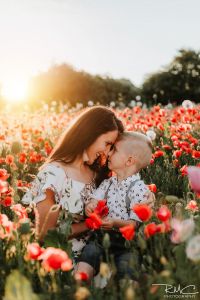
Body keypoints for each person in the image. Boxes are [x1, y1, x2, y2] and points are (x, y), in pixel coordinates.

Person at [21, 106, 155, 260]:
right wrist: (91, 224)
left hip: (106, 254)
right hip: (67, 260)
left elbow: (125, 188)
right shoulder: (52, 174)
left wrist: (147, 196)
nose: (107, 152)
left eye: (112, 147)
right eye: (107, 144)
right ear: (90, 135)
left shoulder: (99, 172)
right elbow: (45, 234)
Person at [76, 132, 153, 282]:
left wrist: (114, 223)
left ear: (129, 161)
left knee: (128, 272)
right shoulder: (108, 183)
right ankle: (78, 288)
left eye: (114, 150)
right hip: (100, 238)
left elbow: (134, 223)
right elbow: (94, 199)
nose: (108, 153)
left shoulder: (139, 190)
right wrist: (90, 206)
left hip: (125, 244)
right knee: (87, 259)